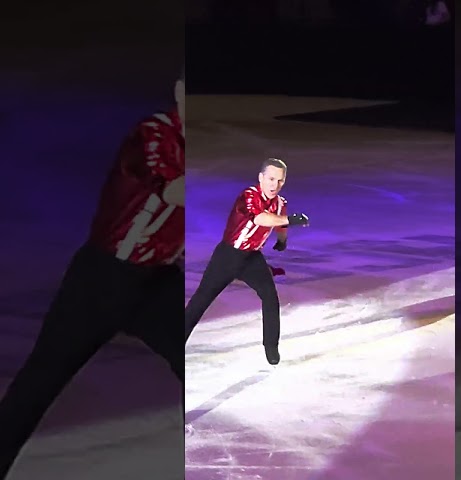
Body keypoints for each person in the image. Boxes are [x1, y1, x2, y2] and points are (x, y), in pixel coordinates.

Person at [0, 70, 186, 478]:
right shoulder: (153, 132)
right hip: (103, 281)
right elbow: (173, 190)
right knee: (38, 386)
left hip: (157, 283)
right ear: (179, 92)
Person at [184, 158, 309, 365]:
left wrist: (282, 240)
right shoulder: (249, 195)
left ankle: (271, 347)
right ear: (261, 178)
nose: (274, 185)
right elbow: (260, 218)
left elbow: (280, 222)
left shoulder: (280, 203)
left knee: (270, 296)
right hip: (228, 256)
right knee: (201, 301)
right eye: (270, 179)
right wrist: (292, 220)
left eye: (279, 181)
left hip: (252, 258)